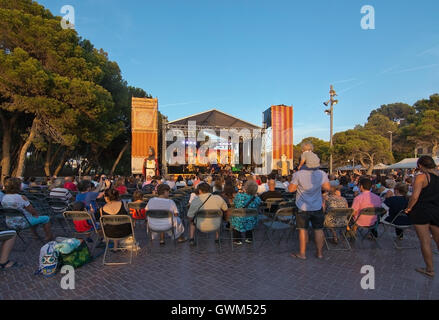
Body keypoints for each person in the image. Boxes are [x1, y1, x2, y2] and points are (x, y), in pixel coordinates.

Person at [405, 156, 439, 278]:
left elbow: (415, 196)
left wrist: (409, 208)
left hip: (421, 211)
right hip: (436, 210)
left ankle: (430, 269)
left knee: (425, 241)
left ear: (420, 165)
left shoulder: (421, 177)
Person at [288, 165, 330, 259]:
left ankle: (302, 254)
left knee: (303, 230)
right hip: (317, 205)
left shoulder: (298, 174)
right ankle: (319, 253)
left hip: (302, 207)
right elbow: (327, 187)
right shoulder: (321, 173)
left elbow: (291, 189)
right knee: (319, 229)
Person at [1, 178, 54, 242]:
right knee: (46, 218)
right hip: (23, 223)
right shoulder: (21, 197)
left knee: (32, 217)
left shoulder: (4, 197)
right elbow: (31, 210)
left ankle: (35, 235)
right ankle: (49, 237)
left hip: (9, 223)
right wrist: (35, 214)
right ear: (17, 186)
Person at [231, 181, 261, 245]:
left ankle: (237, 239)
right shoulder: (257, 199)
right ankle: (249, 238)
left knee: (237, 217)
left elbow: (235, 203)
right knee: (250, 217)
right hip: (251, 221)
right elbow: (259, 204)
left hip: (239, 220)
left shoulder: (239, 196)